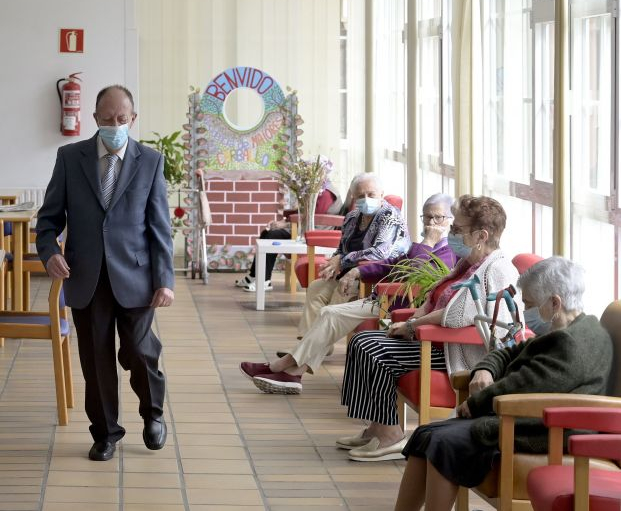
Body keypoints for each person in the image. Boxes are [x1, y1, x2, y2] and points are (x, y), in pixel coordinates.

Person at [394, 256, 613, 511]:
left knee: (442, 442)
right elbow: (509, 352)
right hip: (525, 416)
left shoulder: (571, 344)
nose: (525, 312)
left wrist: (476, 404)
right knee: (425, 434)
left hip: (546, 430)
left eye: (529, 304)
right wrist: (486, 368)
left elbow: (525, 386)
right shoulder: (565, 330)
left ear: (555, 302)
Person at [36, 85, 174, 462]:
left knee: (142, 353)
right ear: (95, 119)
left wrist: (166, 279)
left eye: (122, 119)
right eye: (108, 119)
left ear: (133, 118)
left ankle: (153, 414)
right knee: (96, 361)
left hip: (136, 276)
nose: (116, 126)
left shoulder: (150, 160)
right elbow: (48, 221)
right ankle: (106, 434)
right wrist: (48, 253)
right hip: (87, 276)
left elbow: (160, 227)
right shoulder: (70, 158)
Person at [337, 195, 520, 461]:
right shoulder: (467, 262)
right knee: (361, 339)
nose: (452, 233)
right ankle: (377, 428)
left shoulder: (498, 269)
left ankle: (390, 434)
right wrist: (415, 319)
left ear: (481, 235)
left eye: (458, 229)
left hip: (455, 352)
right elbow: (435, 297)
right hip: (433, 340)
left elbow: (456, 315)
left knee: (371, 348)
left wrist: (412, 325)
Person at [239, 193, 457, 394]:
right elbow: (393, 265)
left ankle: (282, 366)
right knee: (329, 313)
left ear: (451, 220)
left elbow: (413, 276)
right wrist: (357, 271)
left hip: (401, 308)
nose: (430, 223)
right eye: (426, 217)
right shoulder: (420, 246)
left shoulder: (449, 253)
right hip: (383, 300)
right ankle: (292, 374)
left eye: (438, 218)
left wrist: (428, 242)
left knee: (330, 314)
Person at [296, 172, 411, 339]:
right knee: (316, 287)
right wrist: (333, 264)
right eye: (360, 195)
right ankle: (305, 341)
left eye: (371, 194)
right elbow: (342, 248)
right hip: (348, 271)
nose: (366, 199)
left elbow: (380, 252)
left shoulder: (389, 216)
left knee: (340, 292)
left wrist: (343, 261)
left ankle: (313, 347)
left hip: (375, 275)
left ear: (381, 194)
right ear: (353, 197)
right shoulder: (352, 217)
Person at [234, 176, 343, 292]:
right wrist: (284, 221)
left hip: (315, 233)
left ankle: (264, 281)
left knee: (272, 235)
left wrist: (285, 224)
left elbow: (312, 217)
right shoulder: (316, 189)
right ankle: (254, 275)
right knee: (266, 233)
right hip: (304, 229)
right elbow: (305, 211)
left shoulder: (327, 193)